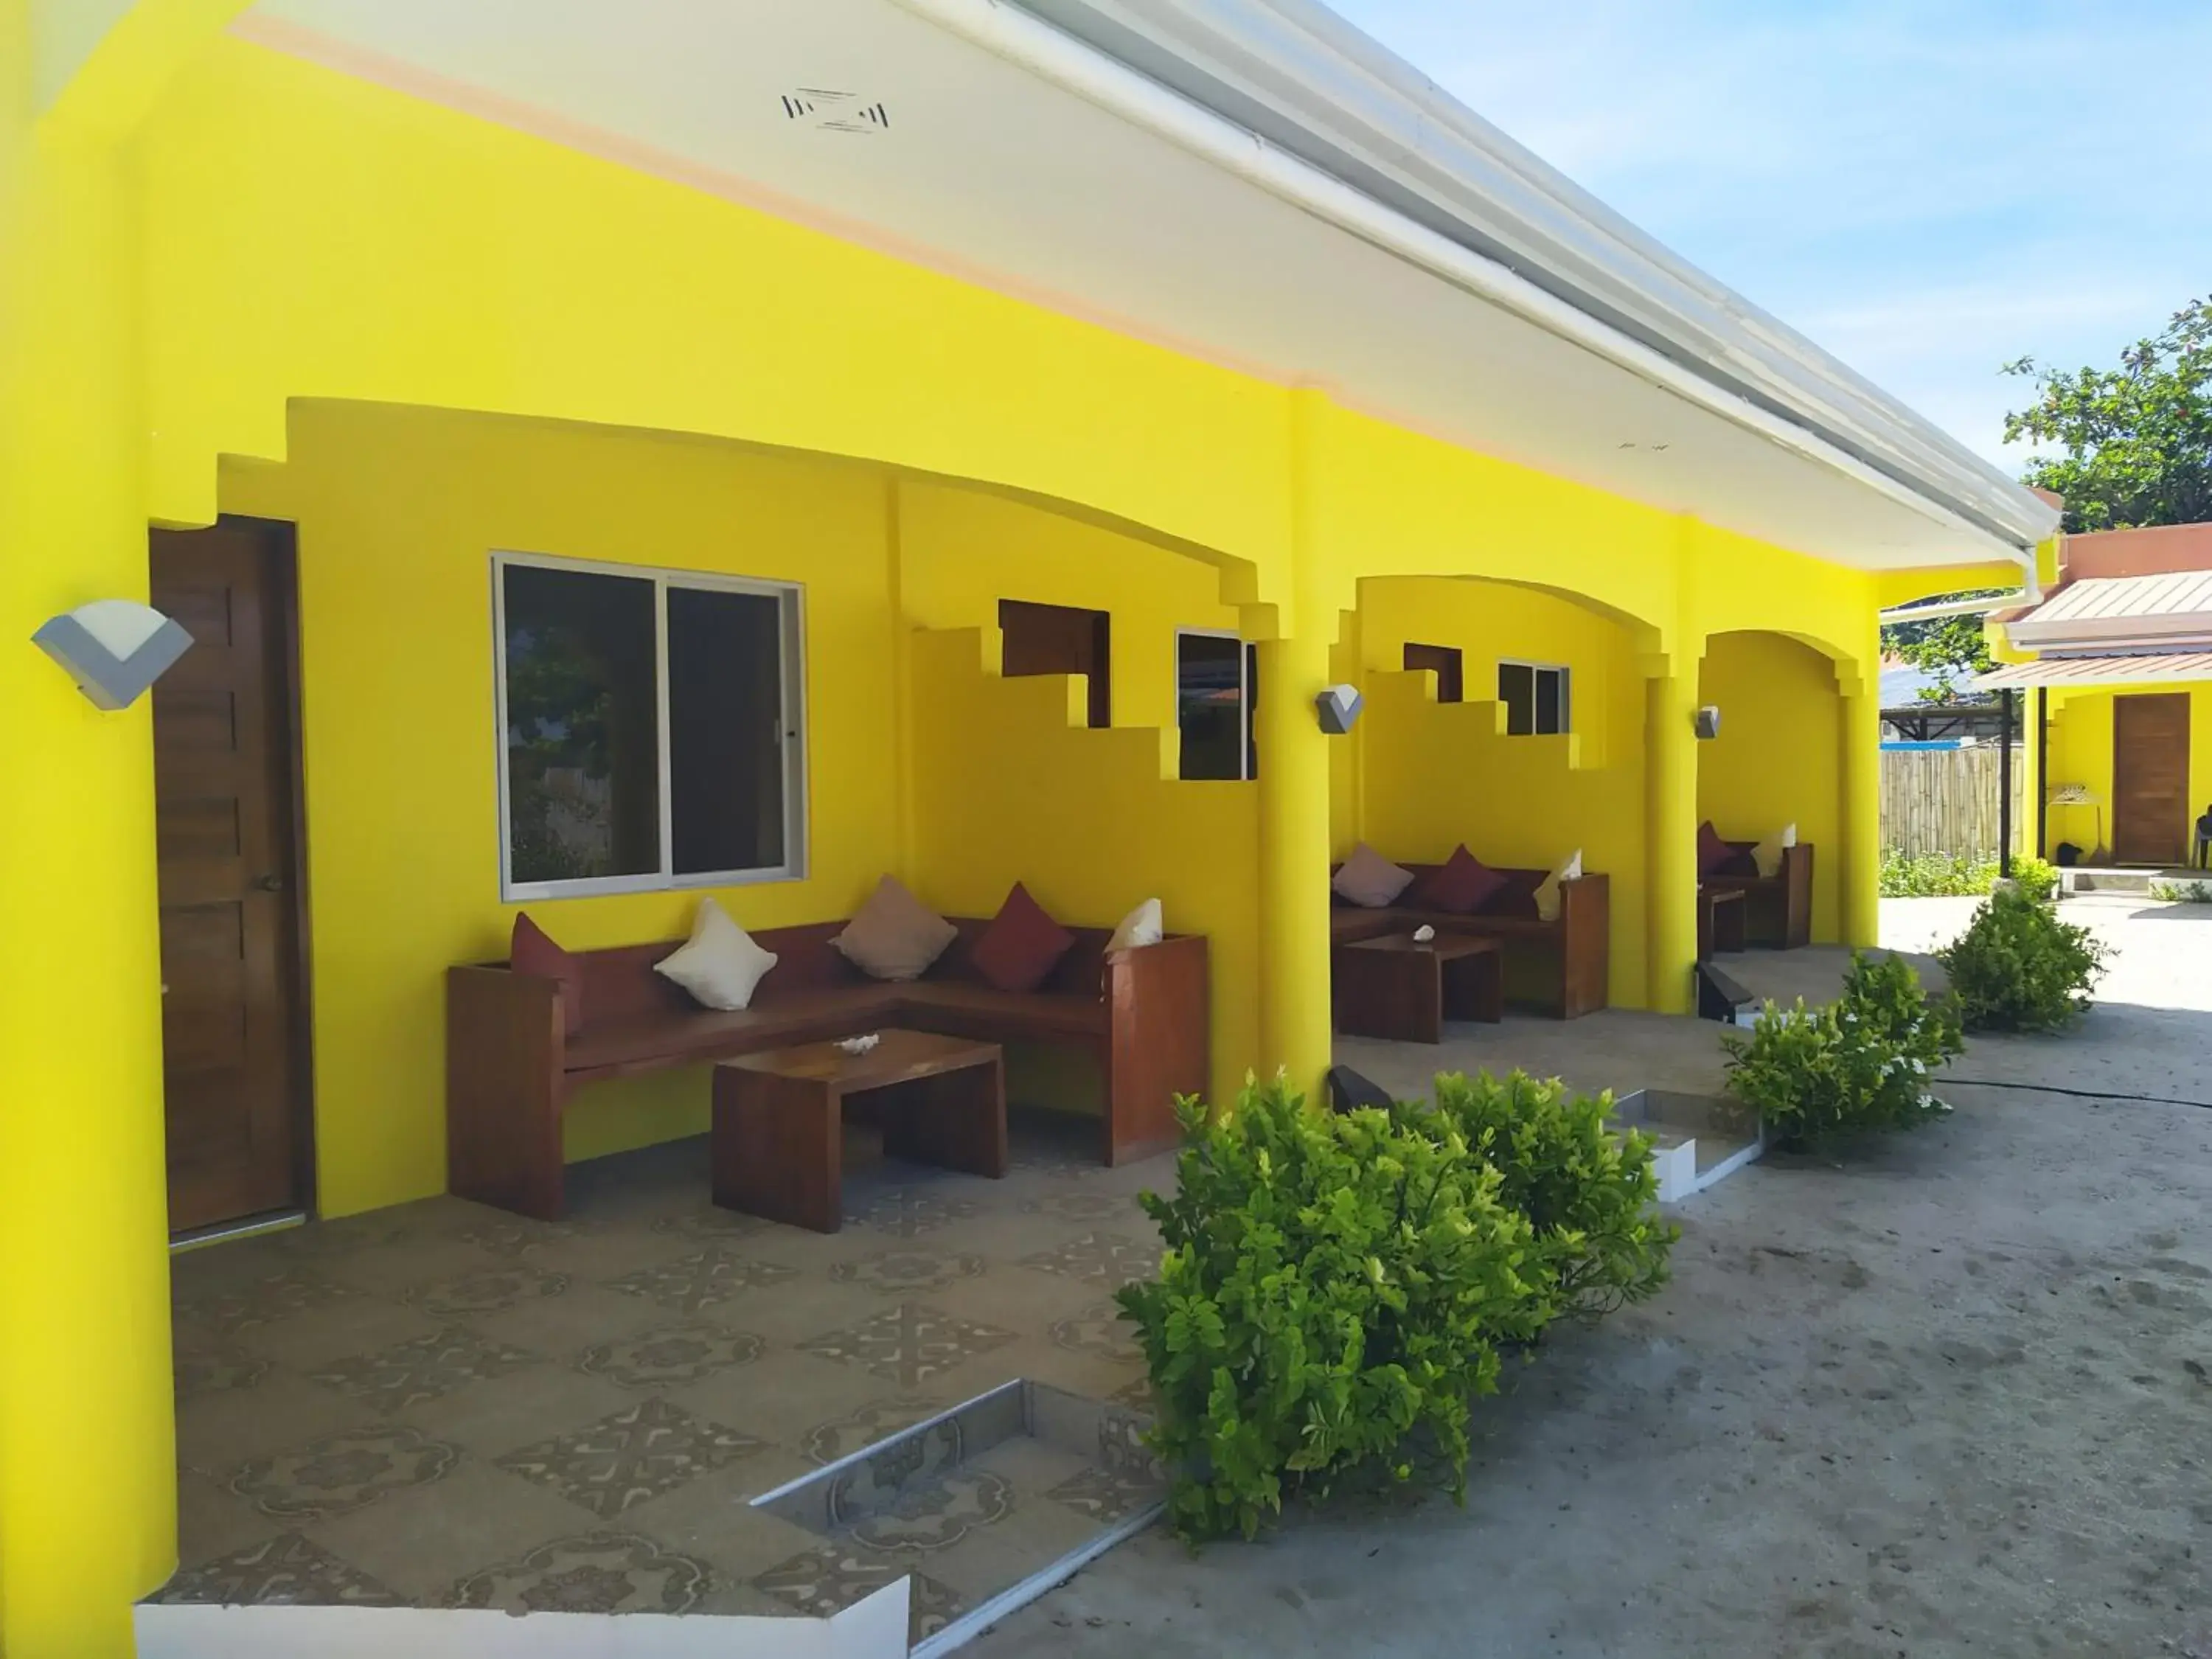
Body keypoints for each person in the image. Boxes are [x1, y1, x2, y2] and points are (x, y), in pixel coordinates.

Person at [2196, 805, 2212, 870]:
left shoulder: (2203, 818)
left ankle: (2203, 866)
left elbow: (2198, 820)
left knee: (2203, 848)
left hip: (2204, 834)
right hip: (2208, 833)